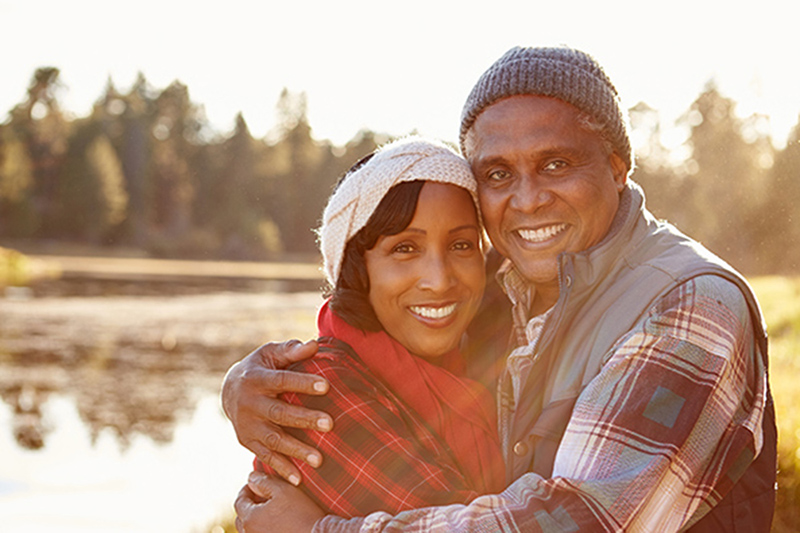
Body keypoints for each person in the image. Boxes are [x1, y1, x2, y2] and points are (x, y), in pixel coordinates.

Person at [226, 46, 777, 532]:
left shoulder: (690, 303)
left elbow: (585, 520)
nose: (528, 198)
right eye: (496, 175)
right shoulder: (499, 289)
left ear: (617, 165)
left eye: (555, 163)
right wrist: (240, 389)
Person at [235, 136, 506, 528]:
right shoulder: (316, 392)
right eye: (405, 249)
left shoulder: (482, 359)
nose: (439, 278)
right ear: (356, 270)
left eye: (462, 244)